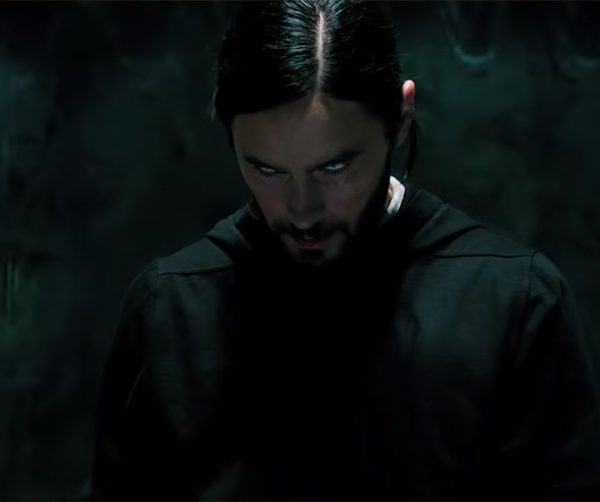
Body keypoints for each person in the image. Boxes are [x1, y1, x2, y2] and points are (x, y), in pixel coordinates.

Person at [90, 1, 600, 500]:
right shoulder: (170, 308)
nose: (302, 210)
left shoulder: (513, 304)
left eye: (333, 168)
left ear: (401, 118)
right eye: (267, 170)